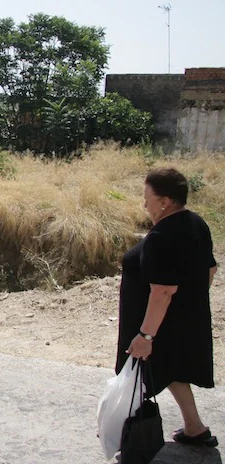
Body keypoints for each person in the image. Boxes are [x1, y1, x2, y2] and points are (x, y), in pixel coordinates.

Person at [116, 167, 218, 447]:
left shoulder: (162, 236)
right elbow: (210, 269)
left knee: (137, 371)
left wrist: (146, 336)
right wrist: (188, 304)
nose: (144, 203)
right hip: (175, 319)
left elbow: (162, 290)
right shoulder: (196, 223)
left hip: (155, 322)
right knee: (169, 370)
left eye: (147, 197)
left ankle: (126, 435)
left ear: (165, 201)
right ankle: (195, 428)